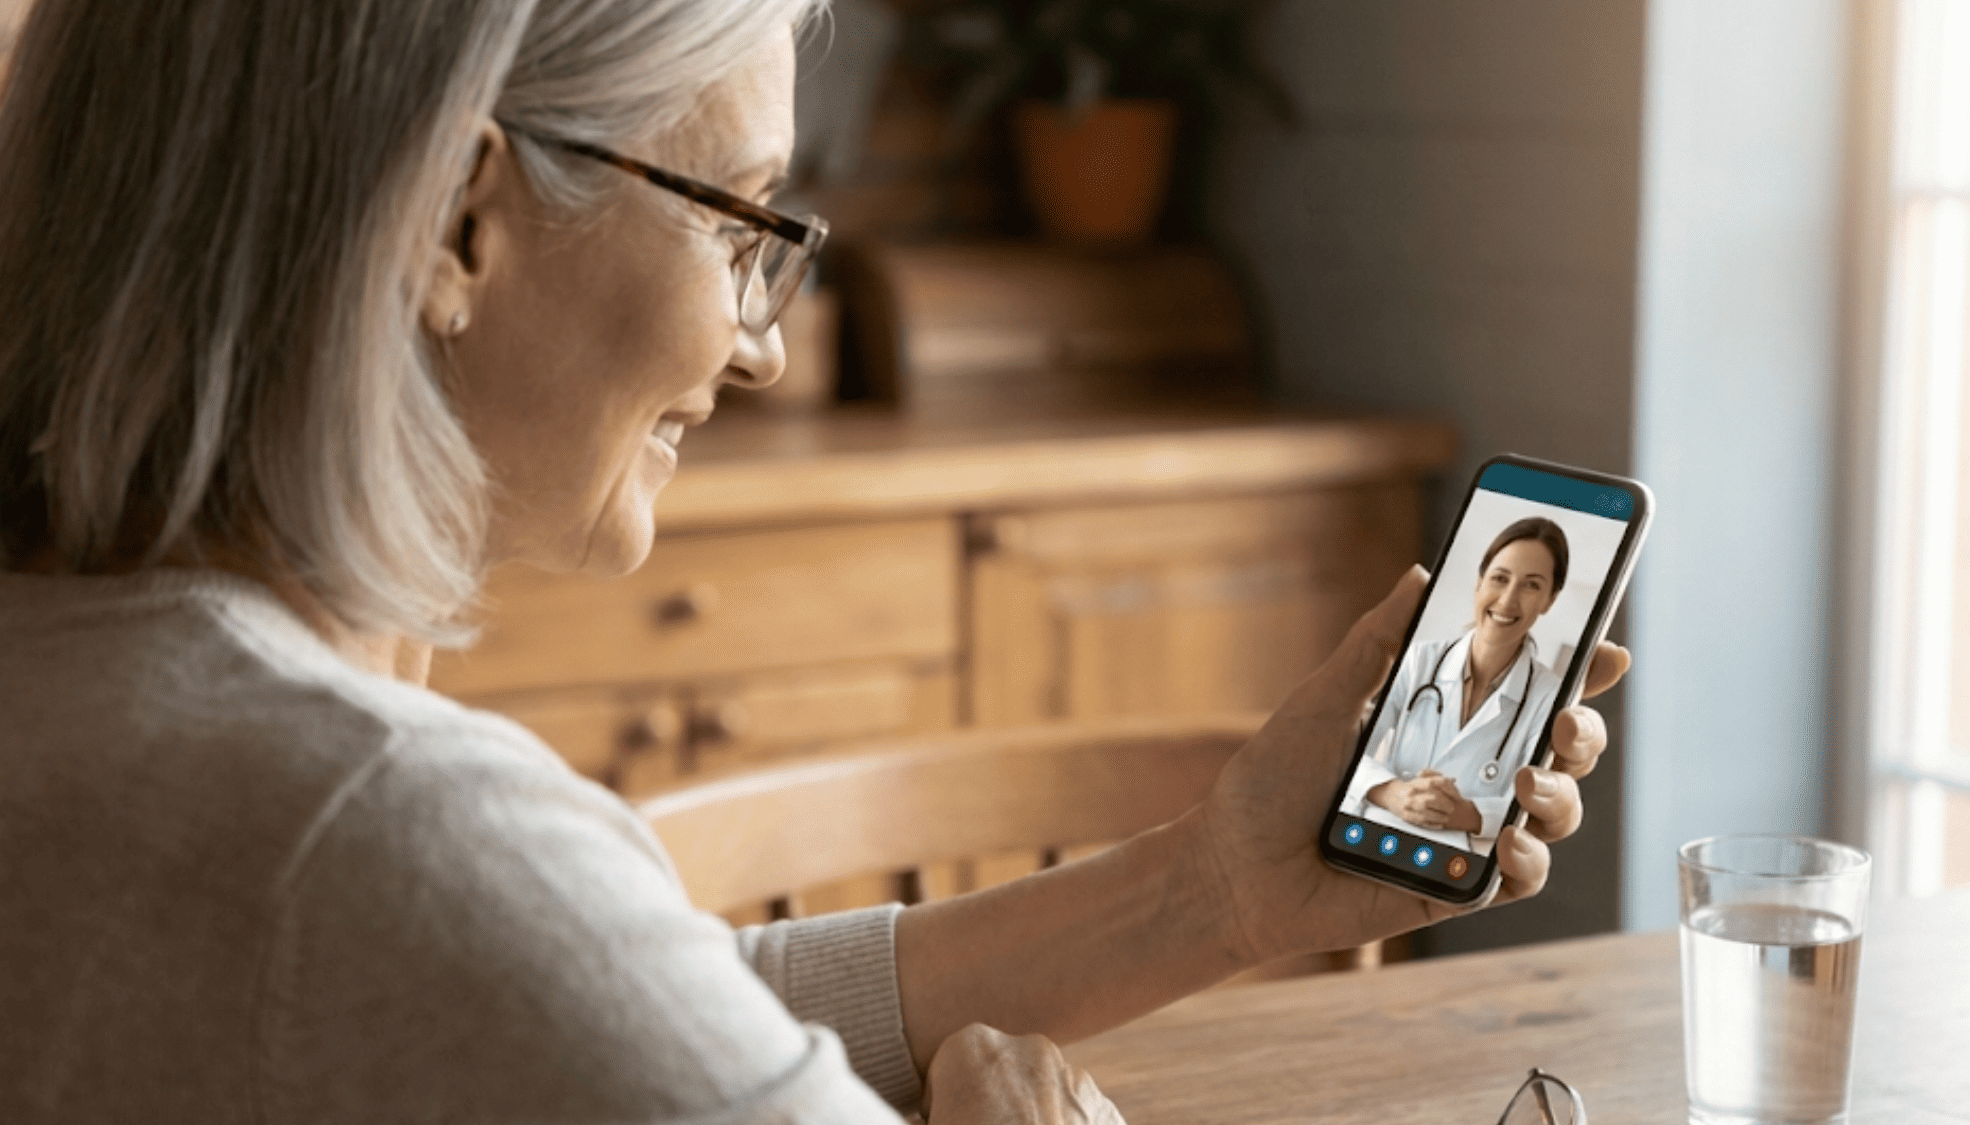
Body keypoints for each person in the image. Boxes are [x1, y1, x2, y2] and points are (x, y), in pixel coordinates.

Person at [0, 2, 1630, 1122]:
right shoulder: (374, 832)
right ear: (453, 221)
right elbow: (519, 959)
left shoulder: (107, 688)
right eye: (738, 224)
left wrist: (1213, 890)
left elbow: (606, 1005)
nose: (762, 349)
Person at [1344, 518, 1571, 854]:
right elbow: (1350, 751)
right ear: (1479, 582)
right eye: (1499, 578)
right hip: (1370, 840)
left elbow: (1529, 803)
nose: (1508, 600)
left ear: (1550, 600)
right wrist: (1391, 792)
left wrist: (1469, 814)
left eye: (1532, 585)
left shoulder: (1550, 696)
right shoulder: (1418, 659)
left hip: (1450, 861)